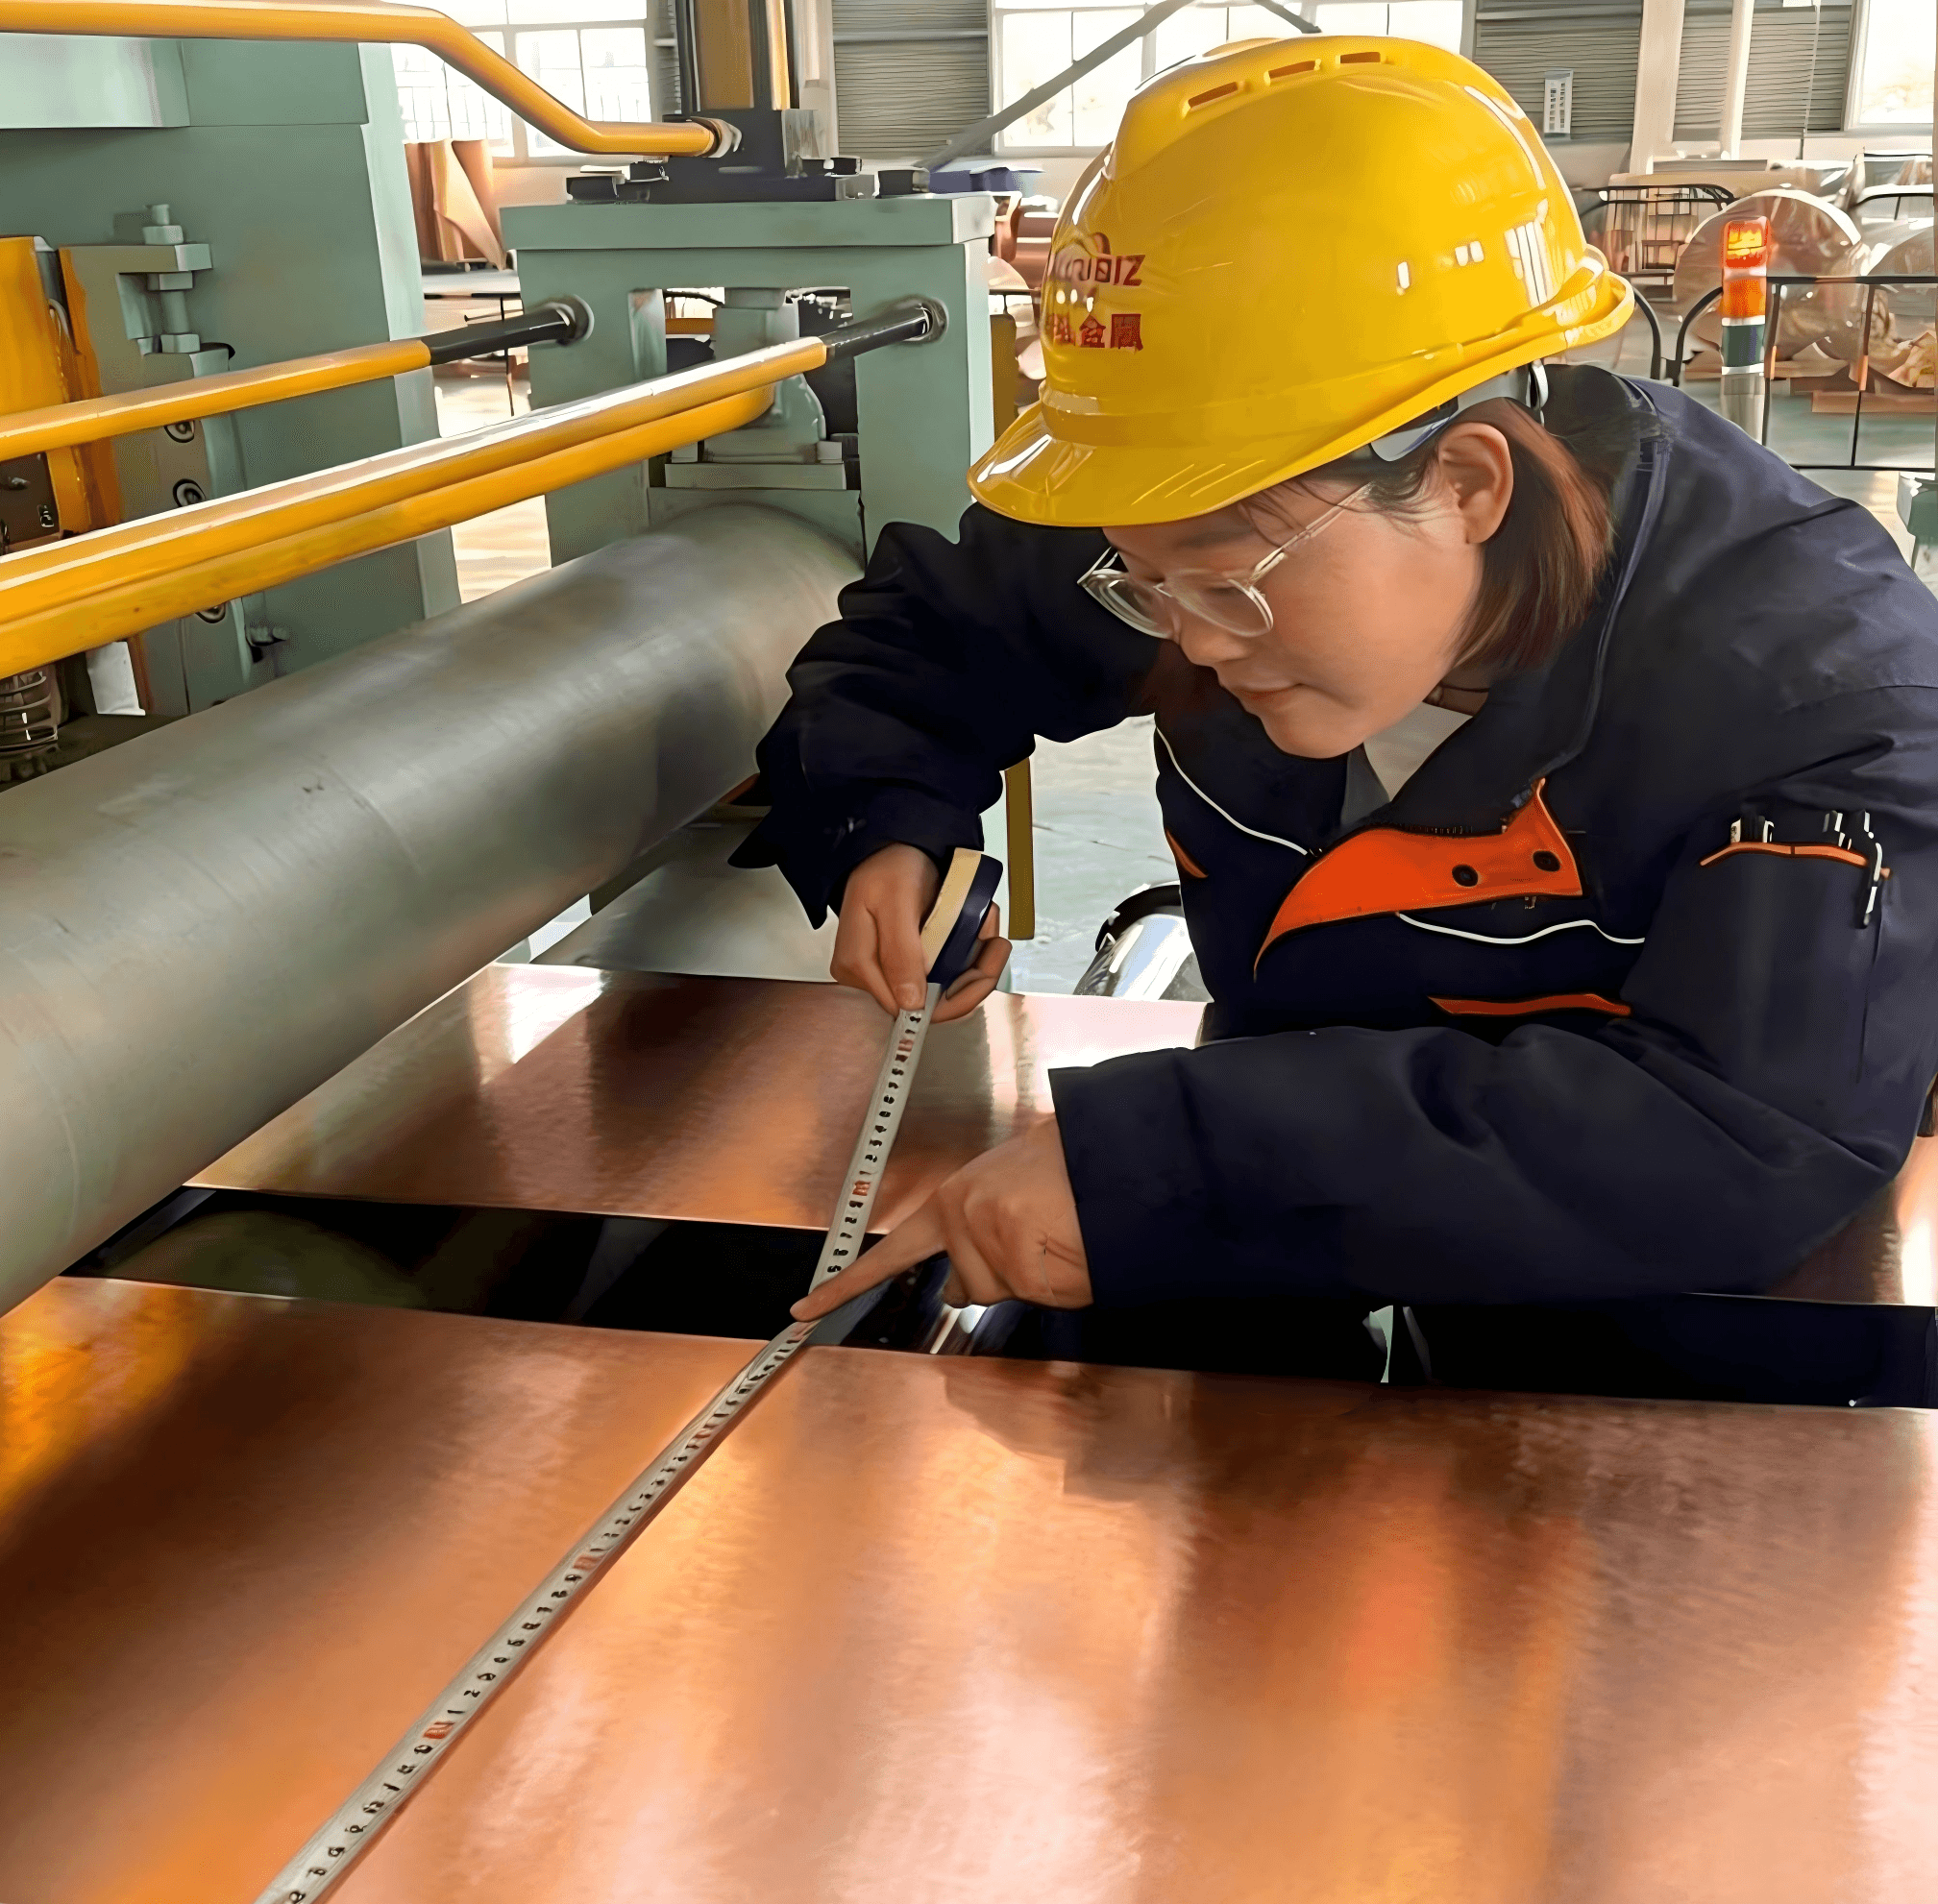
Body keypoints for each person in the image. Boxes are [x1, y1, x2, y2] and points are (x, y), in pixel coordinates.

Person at [737, 35, 1938, 1383]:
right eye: (1143, 580)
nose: (1185, 636)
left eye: (1228, 585)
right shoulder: (1194, 531)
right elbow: (927, 642)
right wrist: (884, 823)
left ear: (1473, 484)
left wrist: (1183, 1154)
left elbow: (1742, 1132)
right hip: (1312, 1171)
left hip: (1679, 1322)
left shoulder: (1825, 700)